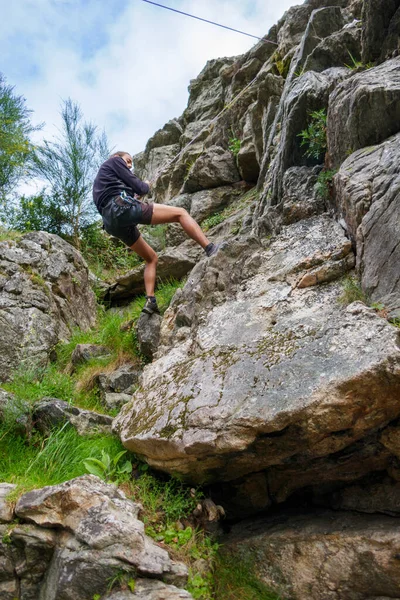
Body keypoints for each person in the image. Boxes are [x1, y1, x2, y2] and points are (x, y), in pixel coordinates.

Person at [93, 151, 219, 314]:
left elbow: (125, 194)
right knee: (181, 213)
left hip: (111, 223)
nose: (129, 165)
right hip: (120, 209)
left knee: (151, 258)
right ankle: (210, 248)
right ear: (118, 157)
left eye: (131, 163)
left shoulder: (104, 181)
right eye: (128, 160)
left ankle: (150, 301)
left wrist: (136, 194)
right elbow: (140, 187)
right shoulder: (115, 161)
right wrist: (145, 185)